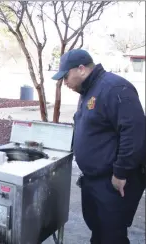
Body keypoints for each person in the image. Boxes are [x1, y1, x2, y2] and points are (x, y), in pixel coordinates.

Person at [52, 49, 146, 244]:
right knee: (99, 231)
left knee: (113, 235)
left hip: (113, 181)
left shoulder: (115, 88)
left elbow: (135, 132)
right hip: (93, 180)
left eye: (66, 76)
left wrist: (121, 173)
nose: (65, 82)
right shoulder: (88, 91)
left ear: (81, 69)